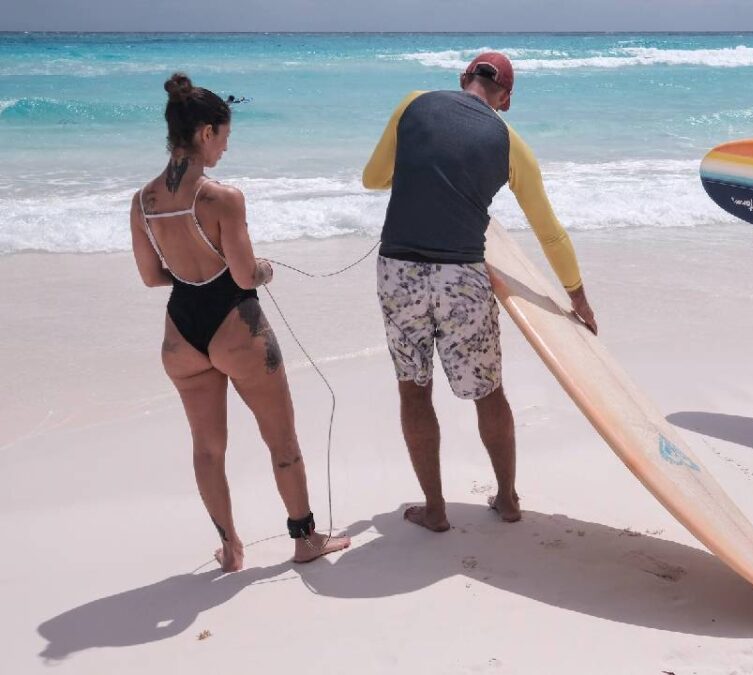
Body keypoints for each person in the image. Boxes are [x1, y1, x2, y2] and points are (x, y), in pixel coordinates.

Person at [362, 52, 597, 532]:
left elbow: (373, 178)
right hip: (462, 279)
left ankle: (435, 509)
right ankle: (508, 499)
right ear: (505, 99)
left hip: (399, 271)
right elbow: (549, 231)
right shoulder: (511, 144)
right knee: (488, 393)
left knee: (414, 389)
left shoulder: (413, 104)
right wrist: (577, 298)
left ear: (462, 78)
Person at [130, 73, 349, 571]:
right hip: (236, 326)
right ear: (206, 131)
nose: (225, 149)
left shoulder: (143, 201)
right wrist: (265, 270)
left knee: (207, 449)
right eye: (225, 137)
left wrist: (192, 274)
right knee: (282, 439)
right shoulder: (222, 197)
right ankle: (305, 539)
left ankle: (230, 548)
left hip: (181, 334)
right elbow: (246, 272)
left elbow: (150, 276)